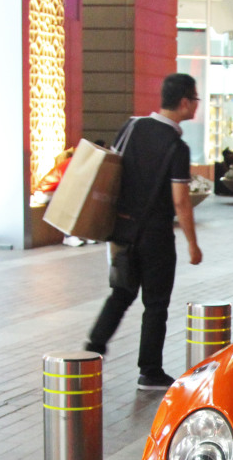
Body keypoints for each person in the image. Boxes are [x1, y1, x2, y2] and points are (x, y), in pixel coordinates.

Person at [85, 73, 203, 390]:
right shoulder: (177, 147)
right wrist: (193, 244)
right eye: (195, 100)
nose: (196, 106)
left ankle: (93, 350)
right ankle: (150, 371)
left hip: (123, 230)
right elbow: (180, 200)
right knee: (155, 304)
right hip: (156, 236)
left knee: (121, 293)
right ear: (183, 102)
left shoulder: (132, 126)